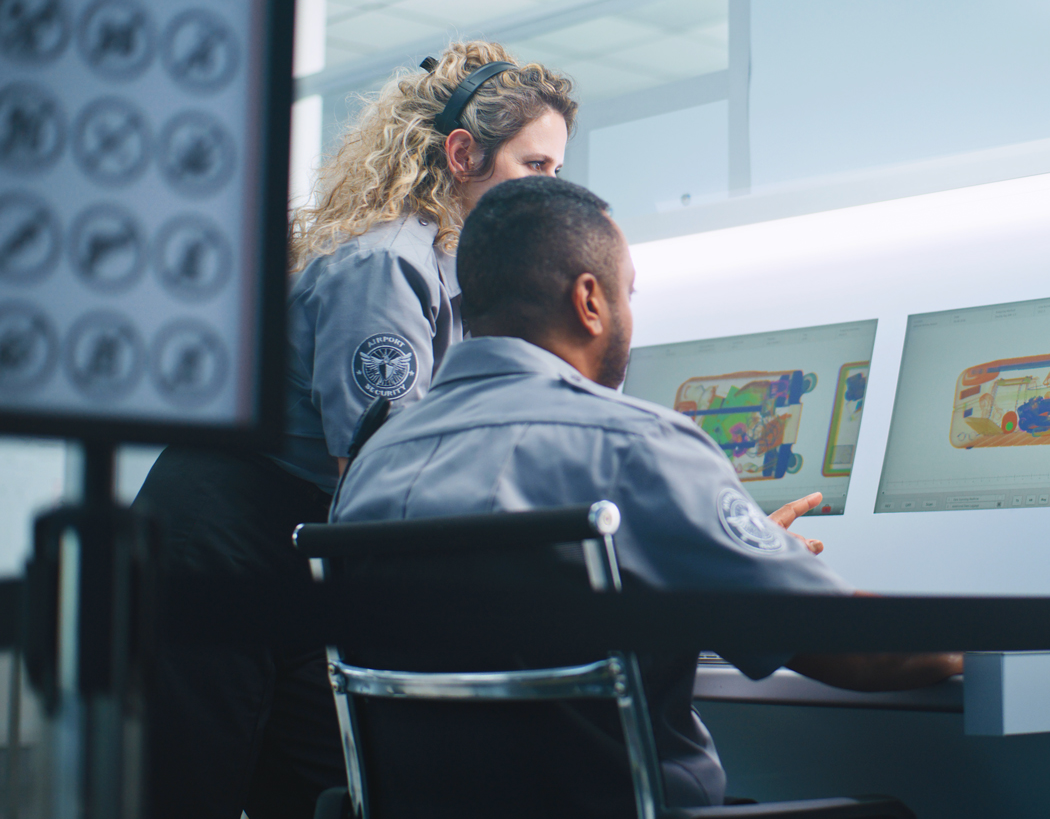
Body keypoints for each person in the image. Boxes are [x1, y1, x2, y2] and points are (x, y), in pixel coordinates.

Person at [332, 176, 962, 817]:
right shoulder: (636, 445)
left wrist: (736, 550)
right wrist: (972, 640)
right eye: (626, 293)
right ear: (589, 300)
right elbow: (859, 651)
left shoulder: (376, 459)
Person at [131, 42, 578, 819]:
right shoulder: (387, 266)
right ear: (464, 154)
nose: (552, 190)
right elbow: (383, 474)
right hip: (218, 538)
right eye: (535, 166)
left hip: (301, 545)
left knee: (317, 784)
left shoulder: (456, 274)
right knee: (186, 790)